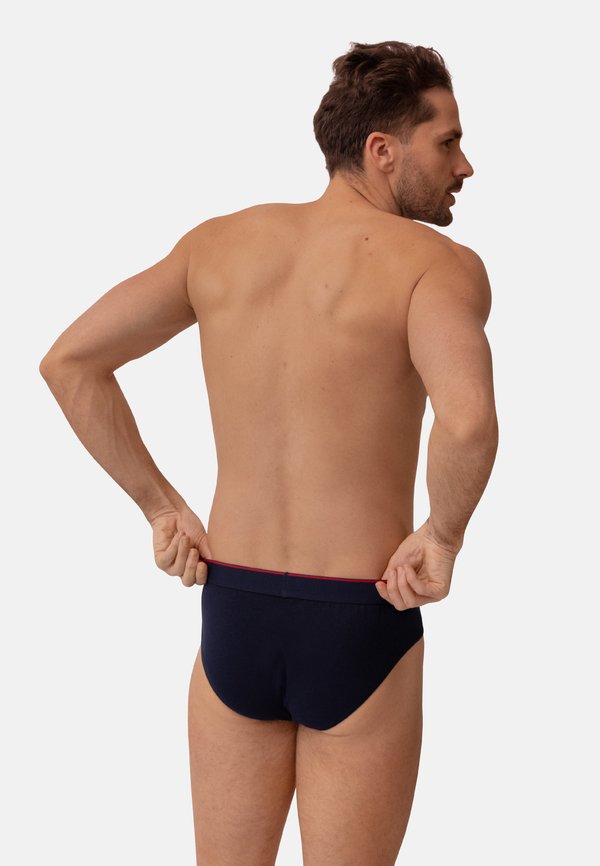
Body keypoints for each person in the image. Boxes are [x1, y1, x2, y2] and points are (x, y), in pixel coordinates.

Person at [39, 39, 499, 866]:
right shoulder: (437, 268)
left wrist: (160, 507)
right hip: (361, 617)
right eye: (448, 142)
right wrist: (443, 536)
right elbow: (467, 423)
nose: (465, 166)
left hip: (235, 611)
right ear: (382, 150)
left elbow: (70, 363)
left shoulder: (217, 246)